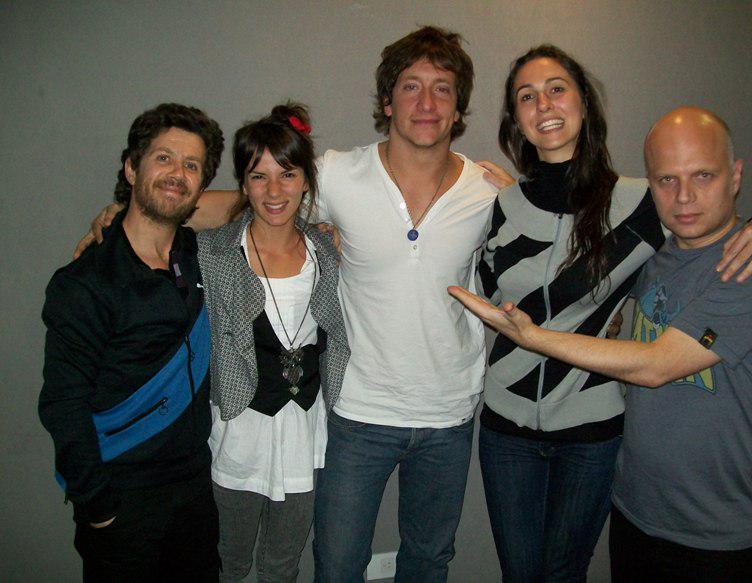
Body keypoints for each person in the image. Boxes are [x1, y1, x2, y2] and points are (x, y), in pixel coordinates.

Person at [73, 27, 497, 581]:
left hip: (449, 412)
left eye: (442, 88)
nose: (426, 102)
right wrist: (129, 212)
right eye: (411, 86)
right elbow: (257, 199)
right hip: (359, 411)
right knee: (335, 563)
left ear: (459, 106)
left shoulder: (487, 190)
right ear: (387, 100)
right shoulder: (340, 173)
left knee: (430, 558)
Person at [469, 46, 752, 582]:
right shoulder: (503, 205)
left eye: (557, 88)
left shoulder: (641, 203)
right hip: (509, 426)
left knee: (565, 573)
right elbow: (492, 288)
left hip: (593, 431)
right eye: (527, 96)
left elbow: (715, 224)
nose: (544, 104)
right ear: (515, 118)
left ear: (584, 103)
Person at [39, 103, 224, 581]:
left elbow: (265, 200)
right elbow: (62, 405)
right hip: (123, 500)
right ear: (131, 168)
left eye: (191, 166)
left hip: (195, 491)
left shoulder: (197, 254)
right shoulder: (86, 282)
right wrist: (98, 508)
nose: (177, 174)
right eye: (163, 158)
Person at [199, 103, 349, 582]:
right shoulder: (214, 252)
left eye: (287, 174)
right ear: (243, 185)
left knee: (283, 565)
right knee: (228, 561)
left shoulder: (327, 251)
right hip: (239, 431)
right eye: (258, 177)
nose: (274, 190)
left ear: (306, 180)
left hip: (304, 430)